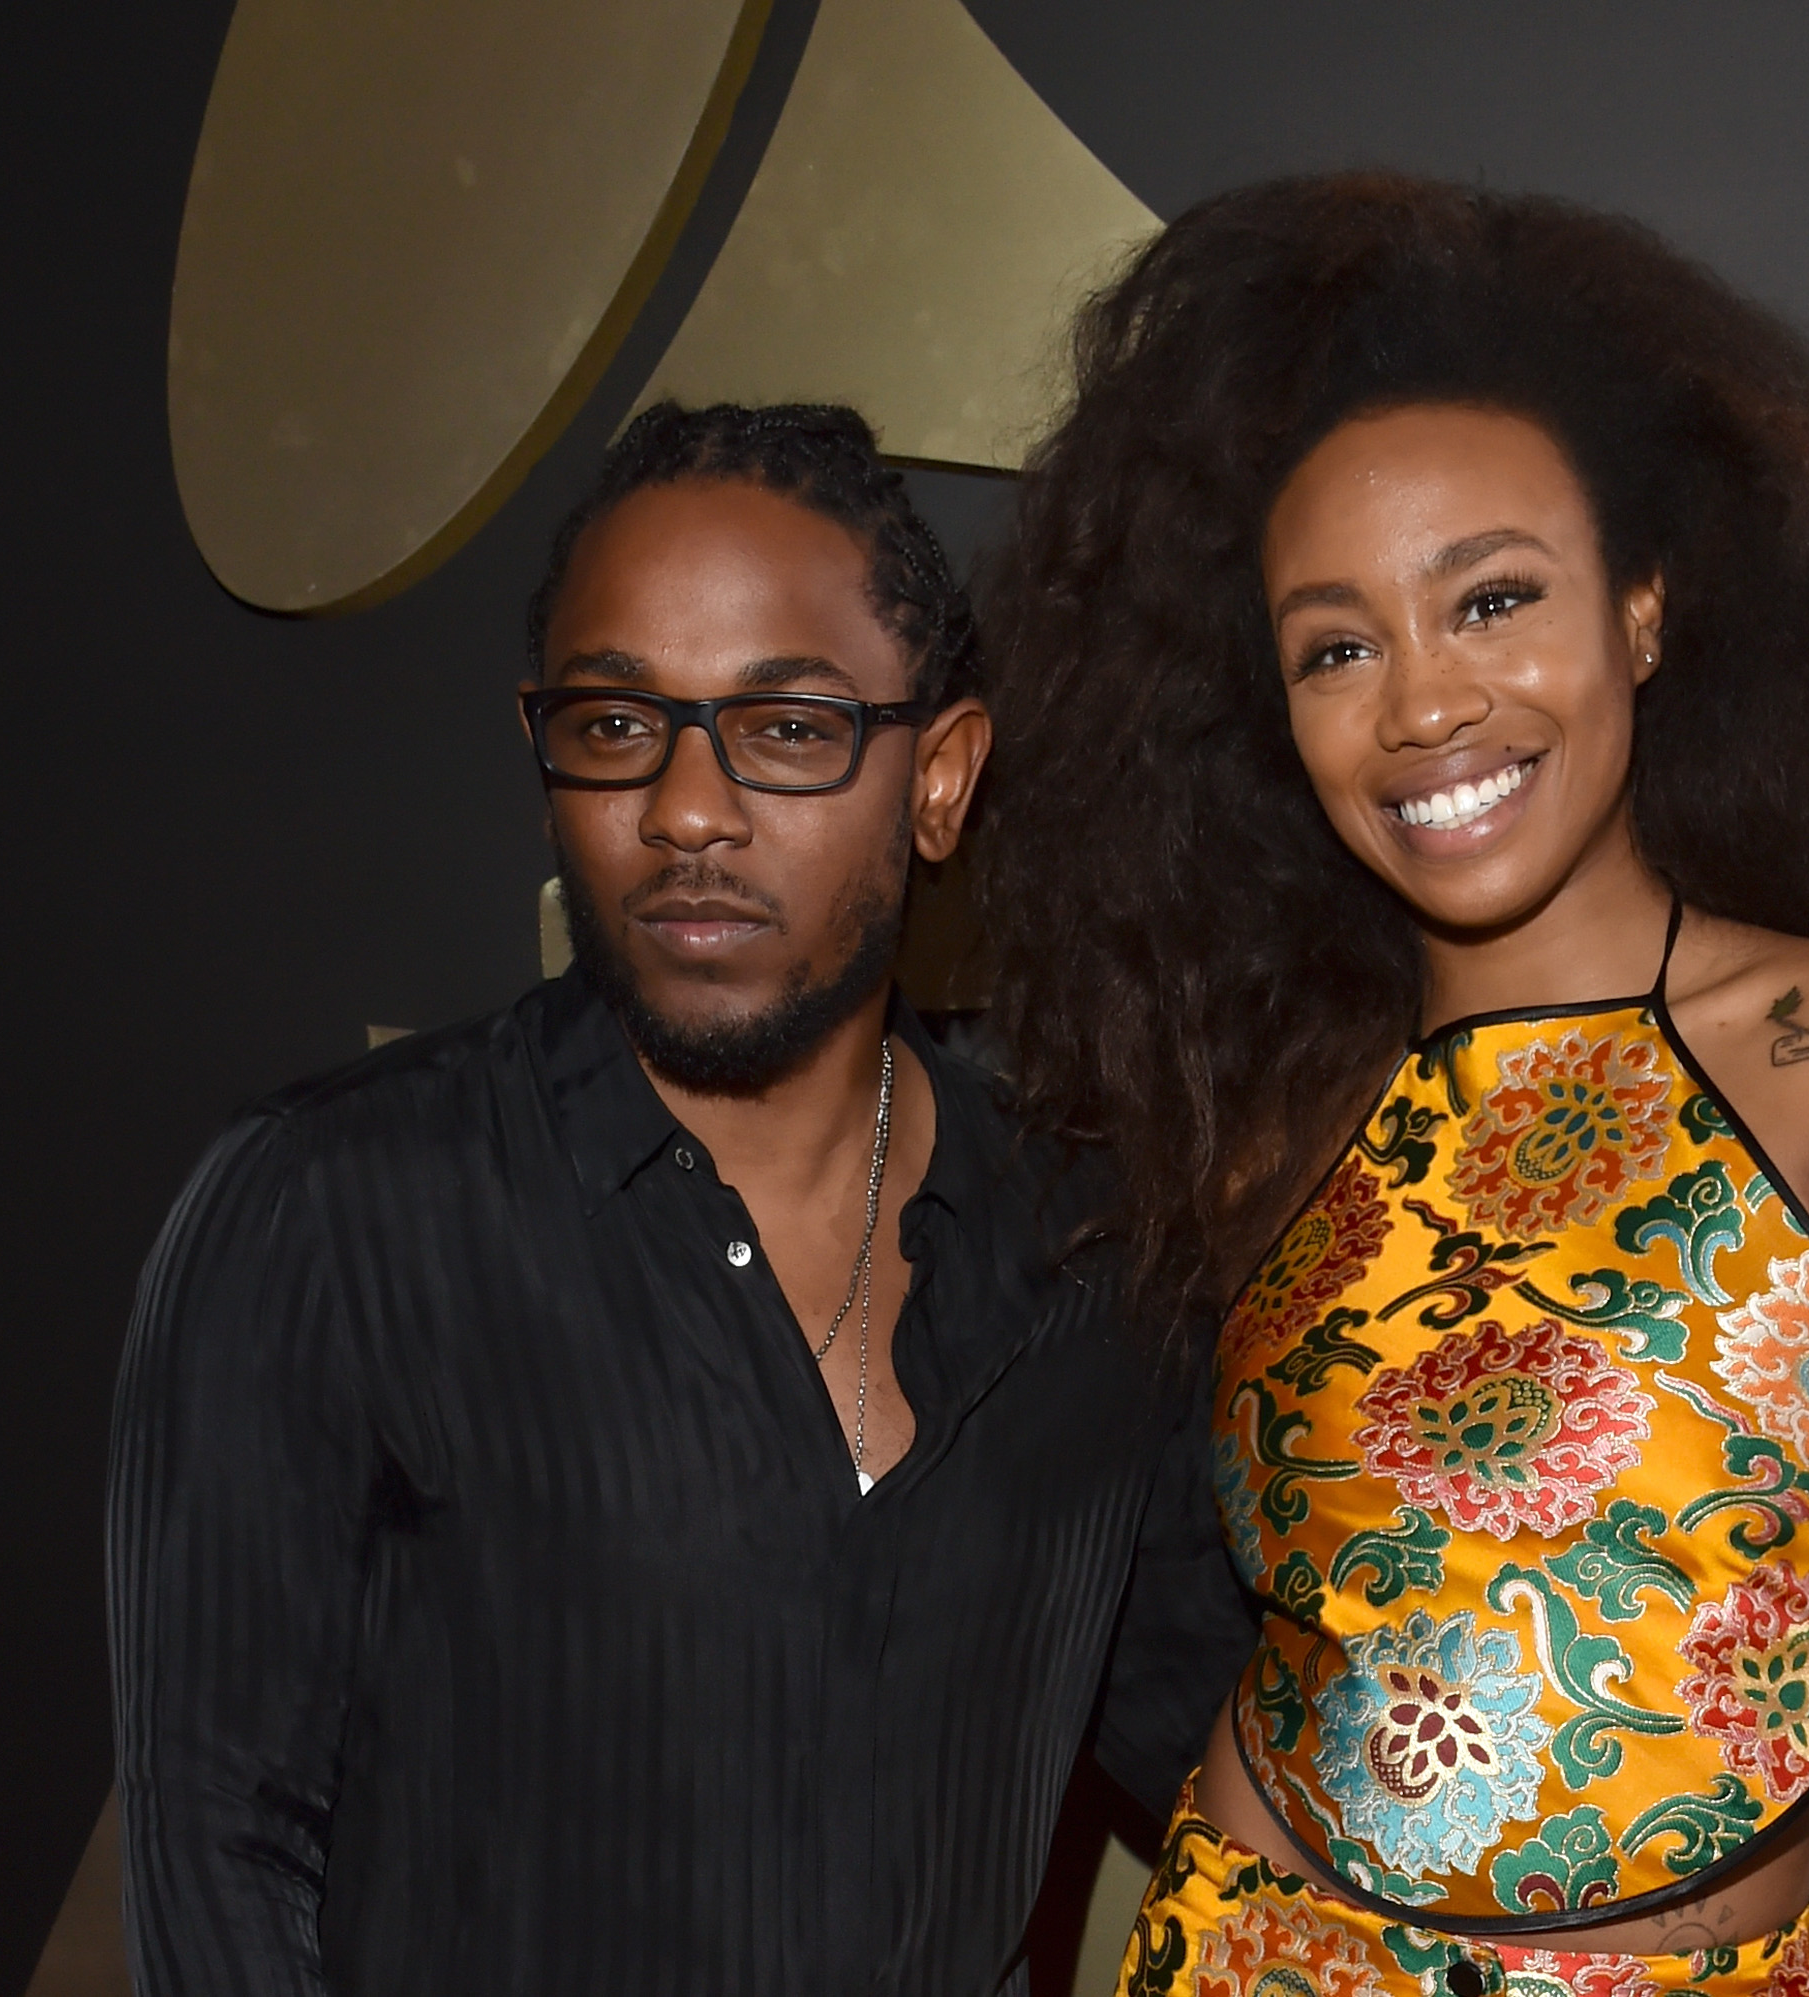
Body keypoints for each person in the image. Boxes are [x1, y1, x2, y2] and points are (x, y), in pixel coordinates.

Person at [979, 175, 1809, 1994]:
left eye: (1491, 598)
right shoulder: (1270, 1117)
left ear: (1641, 610)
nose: (1424, 702)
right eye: (1339, 645)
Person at [107, 402, 1252, 1994]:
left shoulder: (1092, 1237)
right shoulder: (332, 1214)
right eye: (616, 725)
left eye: (788, 729)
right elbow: (220, 1857)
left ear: (943, 776)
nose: (688, 812)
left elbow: (1245, 1761)